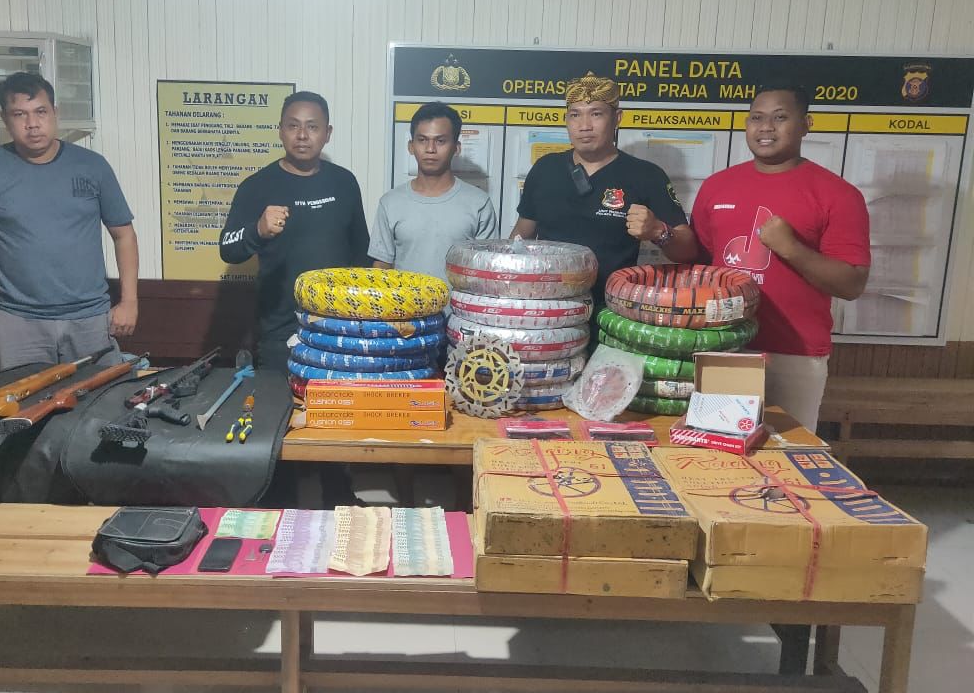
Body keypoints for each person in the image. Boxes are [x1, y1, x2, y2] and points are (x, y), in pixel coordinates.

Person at [691, 86, 870, 431]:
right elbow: (699, 262)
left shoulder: (838, 194)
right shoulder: (716, 186)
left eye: (780, 118)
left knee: (790, 454)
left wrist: (790, 248)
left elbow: (852, 284)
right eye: (756, 118)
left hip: (794, 354)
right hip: (724, 346)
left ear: (806, 125)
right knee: (719, 448)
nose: (765, 127)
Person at [0, 73, 138, 369]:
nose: (32, 124)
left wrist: (129, 302)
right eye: (19, 114)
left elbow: (124, 235)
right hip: (18, 321)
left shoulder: (92, 166)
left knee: (100, 397)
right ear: (5, 119)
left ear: (55, 113)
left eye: (41, 112)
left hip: (90, 317)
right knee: (24, 399)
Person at [509, 72, 698, 308]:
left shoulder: (646, 175)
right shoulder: (545, 168)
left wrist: (658, 230)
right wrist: (507, 281)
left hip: (613, 309)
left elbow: (688, 250)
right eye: (575, 115)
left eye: (596, 114)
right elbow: (521, 235)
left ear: (617, 118)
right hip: (548, 307)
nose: (584, 126)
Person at [219, 90, 369, 371]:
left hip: (338, 329)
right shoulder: (257, 186)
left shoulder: (344, 182)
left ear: (327, 133)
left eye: (312, 127)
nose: (302, 135)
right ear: (280, 130)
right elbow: (227, 248)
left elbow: (362, 253)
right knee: (278, 400)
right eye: (293, 126)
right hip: (280, 333)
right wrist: (257, 230)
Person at [369, 102, 498, 281]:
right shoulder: (390, 203)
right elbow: (382, 266)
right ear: (411, 146)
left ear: (456, 148)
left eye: (440, 141)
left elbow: (487, 269)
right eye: (422, 140)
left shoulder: (479, 203)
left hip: (458, 301)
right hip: (406, 300)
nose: (430, 149)